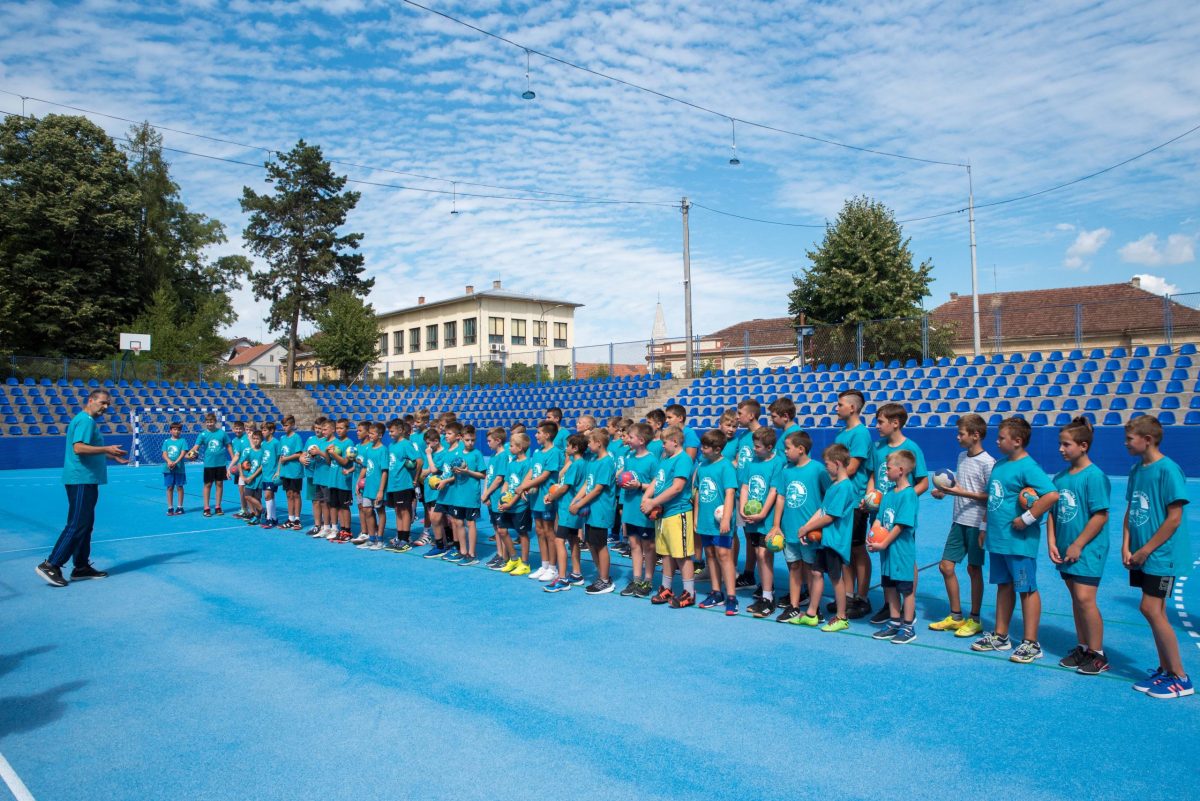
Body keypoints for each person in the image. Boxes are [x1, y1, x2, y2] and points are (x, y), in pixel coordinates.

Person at [971, 417, 1059, 664]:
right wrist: (984, 526)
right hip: (998, 539)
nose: (997, 442)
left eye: (1001, 438)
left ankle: (1031, 642)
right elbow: (993, 498)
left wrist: (1028, 517)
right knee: (1003, 585)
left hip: (1018, 541)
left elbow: (1052, 495)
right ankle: (1001, 635)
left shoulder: (1028, 467)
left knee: (1027, 589)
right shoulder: (1000, 465)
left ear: (1017, 441)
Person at [1123, 415, 1193, 698]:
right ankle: (1165, 670)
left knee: (1151, 609)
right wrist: (1126, 546)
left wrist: (1145, 549)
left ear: (1147, 440)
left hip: (1161, 555)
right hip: (1141, 553)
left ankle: (1180, 677)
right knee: (1154, 610)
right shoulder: (1136, 470)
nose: (1126, 443)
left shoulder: (1168, 470)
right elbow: (1130, 512)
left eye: (1130, 439)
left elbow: (1174, 519)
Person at [37, 389, 128, 587]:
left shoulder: (86, 420)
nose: (105, 407)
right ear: (91, 400)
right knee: (77, 523)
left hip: (86, 479)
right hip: (81, 480)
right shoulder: (86, 420)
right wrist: (106, 449)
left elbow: (87, 449)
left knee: (85, 524)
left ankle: (80, 566)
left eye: (108, 404)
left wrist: (111, 455)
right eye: (102, 403)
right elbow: (79, 448)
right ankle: (51, 564)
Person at [1047, 417, 1111, 675]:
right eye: (1060, 444)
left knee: (1086, 598)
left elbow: (1100, 515)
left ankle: (1098, 654)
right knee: (1076, 598)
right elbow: (1052, 511)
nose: (1061, 449)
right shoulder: (1060, 477)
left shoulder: (1094, 476)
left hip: (1086, 549)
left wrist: (1078, 544)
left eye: (1066, 444)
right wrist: (1052, 541)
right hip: (1065, 548)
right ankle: (1083, 646)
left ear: (1083, 445)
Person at [929, 413, 994, 638]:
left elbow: (990, 497)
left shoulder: (988, 463)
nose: (957, 437)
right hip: (958, 521)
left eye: (961, 433)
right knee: (946, 566)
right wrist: (944, 492)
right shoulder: (961, 457)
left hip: (977, 523)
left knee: (973, 569)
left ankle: (975, 619)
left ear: (976, 435)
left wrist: (960, 492)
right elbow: (960, 485)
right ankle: (956, 616)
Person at [863, 402, 929, 624]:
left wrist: (903, 500)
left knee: (904, 557)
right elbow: (873, 475)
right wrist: (870, 496)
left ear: (895, 423)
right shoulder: (877, 447)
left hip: (899, 515)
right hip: (880, 515)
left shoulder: (912, 448)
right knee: (886, 559)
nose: (877, 426)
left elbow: (923, 483)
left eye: (880, 422)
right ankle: (890, 606)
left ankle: (908, 605)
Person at [770, 430, 829, 623]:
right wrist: (776, 525)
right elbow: (781, 497)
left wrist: (816, 524)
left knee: (812, 570)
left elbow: (828, 498)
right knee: (794, 567)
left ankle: (814, 608)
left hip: (809, 532)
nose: (784, 451)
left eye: (788, 448)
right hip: (789, 530)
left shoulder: (817, 469)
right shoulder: (786, 470)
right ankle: (794, 606)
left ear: (801, 449)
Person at [797, 443, 857, 632]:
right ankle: (811, 613)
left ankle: (841, 616)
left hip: (835, 540)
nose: (825, 467)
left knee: (835, 577)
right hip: (825, 540)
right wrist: (805, 528)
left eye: (827, 464)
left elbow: (830, 516)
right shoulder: (834, 486)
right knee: (816, 573)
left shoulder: (845, 487)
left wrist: (808, 527)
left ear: (837, 463)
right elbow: (822, 510)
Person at [867, 450, 920, 645]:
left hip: (901, 550)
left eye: (888, 469)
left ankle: (907, 626)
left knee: (906, 589)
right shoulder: (888, 493)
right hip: (886, 551)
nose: (885, 473)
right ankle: (894, 621)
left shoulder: (909, 495)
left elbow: (900, 525)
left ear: (901, 470)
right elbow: (880, 519)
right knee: (888, 587)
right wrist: (873, 535)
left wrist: (884, 543)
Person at [830, 389, 873, 619]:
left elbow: (853, 467)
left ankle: (862, 597)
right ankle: (847, 594)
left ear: (852, 408)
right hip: (843, 500)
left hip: (855, 500)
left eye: (839, 405)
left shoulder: (860, 434)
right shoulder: (841, 434)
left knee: (857, 548)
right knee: (844, 549)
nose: (836, 408)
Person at [645, 427, 695, 607]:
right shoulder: (665, 459)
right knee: (666, 553)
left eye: (664, 442)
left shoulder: (683, 459)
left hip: (677, 511)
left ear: (675, 441)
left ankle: (689, 592)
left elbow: (677, 488)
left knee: (682, 555)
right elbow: (656, 480)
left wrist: (653, 501)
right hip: (663, 513)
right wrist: (646, 497)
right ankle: (666, 588)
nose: (663, 446)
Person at [694, 429, 739, 615]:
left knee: (724, 555)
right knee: (710, 554)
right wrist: (696, 516)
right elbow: (697, 493)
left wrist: (726, 518)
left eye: (705, 447)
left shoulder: (726, 466)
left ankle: (731, 596)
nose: (702, 450)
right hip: (704, 519)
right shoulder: (702, 466)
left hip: (721, 521)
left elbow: (730, 493)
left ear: (717, 449)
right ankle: (716, 592)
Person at [740, 427, 783, 618]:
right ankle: (765, 593)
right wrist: (742, 509)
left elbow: (774, 491)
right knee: (758, 552)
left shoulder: (777, 463)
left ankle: (768, 598)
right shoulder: (751, 463)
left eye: (757, 446)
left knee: (765, 554)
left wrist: (763, 514)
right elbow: (745, 486)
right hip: (752, 518)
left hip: (766, 519)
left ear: (770, 446)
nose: (754, 449)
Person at [571, 428, 618, 594]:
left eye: (590, 442)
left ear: (598, 443)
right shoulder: (593, 461)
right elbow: (587, 484)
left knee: (600, 544)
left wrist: (579, 503)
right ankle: (601, 575)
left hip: (601, 509)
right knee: (591, 542)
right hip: (591, 510)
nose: (588, 445)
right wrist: (576, 499)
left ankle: (605, 579)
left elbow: (597, 489)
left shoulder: (606, 462)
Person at [618, 422, 660, 598]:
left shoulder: (652, 460)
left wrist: (639, 485)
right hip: (630, 507)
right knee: (634, 544)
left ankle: (648, 580)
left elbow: (657, 484)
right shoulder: (629, 459)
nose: (628, 440)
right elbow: (623, 481)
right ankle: (636, 579)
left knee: (648, 546)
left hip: (644, 509)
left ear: (641, 440)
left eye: (631, 437)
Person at [518, 421, 564, 582]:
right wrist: (523, 486)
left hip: (546, 497)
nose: (536, 435)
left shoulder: (555, 452)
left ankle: (553, 567)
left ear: (547, 435)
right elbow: (532, 470)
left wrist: (524, 486)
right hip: (535, 498)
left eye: (539, 433)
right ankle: (544, 565)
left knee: (549, 531)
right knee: (539, 530)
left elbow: (544, 476)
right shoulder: (537, 452)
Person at [544, 433, 590, 592]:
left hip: (567, 508)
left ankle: (562, 578)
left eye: (568, 445)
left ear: (575, 448)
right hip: (574, 509)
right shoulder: (584, 463)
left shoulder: (575, 465)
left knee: (559, 540)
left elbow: (565, 487)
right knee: (573, 540)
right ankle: (577, 573)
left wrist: (551, 496)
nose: (566, 448)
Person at [732, 398, 763, 589]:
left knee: (757, 540)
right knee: (748, 536)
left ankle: (759, 577)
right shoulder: (743, 437)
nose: (737, 417)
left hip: (755, 495)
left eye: (739, 413)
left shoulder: (763, 436)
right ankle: (749, 574)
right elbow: (738, 460)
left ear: (751, 415)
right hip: (740, 492)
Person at [445, 424, 486, 566]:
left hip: (471, 496)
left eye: (473, 440)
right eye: (468, 440)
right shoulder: (457, 455)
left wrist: (468, 472)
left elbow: (482, 475)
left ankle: (472, 553)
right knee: (457, 522)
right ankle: (463, 551)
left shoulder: (477, 454)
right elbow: (452, 474)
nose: (470, 443)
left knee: (470, 523)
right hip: (458, 495)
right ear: (461, 438)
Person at [497, 432, 534, 575]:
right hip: (508, 504)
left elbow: (522, 487)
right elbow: (507, 481)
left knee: (522, 533)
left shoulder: (527, 464)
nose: (509, 448)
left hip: (519, 505)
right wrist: (502, 497)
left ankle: (525, 563)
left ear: (519, 448)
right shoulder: (511, 462)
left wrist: (511, 503)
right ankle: (513, 558)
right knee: (502, 530)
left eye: (511, 446)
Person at [384, 418, 419, 552]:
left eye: (392, 431)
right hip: (393, 484)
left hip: (404, 483)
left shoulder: (406, 444)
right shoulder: (391, 445)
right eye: (389, 431)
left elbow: (417, 461)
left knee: (405, 511)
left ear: (400, 430)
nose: (390, 434)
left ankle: (405, 539)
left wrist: (415, 478)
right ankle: (399, 537)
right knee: (398, 510)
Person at [482, 428, 513, 569]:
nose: (487, 443)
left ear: (498, 440)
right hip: (491, 497)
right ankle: (500, 553)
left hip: (498, 497)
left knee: (502, 528)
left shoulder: (503, 456)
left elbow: (499, 478)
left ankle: (506, 556)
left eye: (490, 441)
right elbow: (489, 476)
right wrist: (486, 493)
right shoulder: (494, 456)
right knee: (495, 527)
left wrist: (486, 493)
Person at [355, 422, 388, 551]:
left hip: (377, 488)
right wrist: (358, 482)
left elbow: (385, 471)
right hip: (367, 488)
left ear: (380, 435)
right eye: (369, 433)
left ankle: (380, 539)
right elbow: (365, 467)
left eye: (372, 433)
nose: (370, 435)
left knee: (380, 512)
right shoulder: (369, 449)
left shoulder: (383, 450)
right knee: (367, 510)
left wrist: (380, 491)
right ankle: (371, 538)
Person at [193, 412, 234, 517]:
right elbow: (195, 447)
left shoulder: (222, 433)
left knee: (219, 484)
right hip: (209, 464)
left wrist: (234, 459)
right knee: (208, 485)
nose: (209, 424)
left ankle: (218, 506)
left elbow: (229, 446)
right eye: (207, 422)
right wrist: (191, 453)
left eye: (211, 422)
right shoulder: (202, 435)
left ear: (215, 422)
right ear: (205, 423)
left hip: (221, 463)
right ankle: (206, 508)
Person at [326, 418, 357, 543]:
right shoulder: (336, 443)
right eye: (337, 428)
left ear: (347, 429)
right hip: (333, 480)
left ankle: (348, 531)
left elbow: (345, 462)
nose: (339, 430)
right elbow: (329, 462)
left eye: (341, 428)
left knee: (344, 507)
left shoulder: (349, 444)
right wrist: (328, 453)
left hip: (343, 480)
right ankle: (342, 529)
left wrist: (333, 454)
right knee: (337, 506)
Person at [276, 415, 306, 531]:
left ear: (292, 425)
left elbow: (299, 454)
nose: (284, 427)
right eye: (283, 425)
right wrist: (278, 471)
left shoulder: (296, 438)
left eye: (287, 425)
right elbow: (280, 456)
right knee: (288, 494)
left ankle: (297, 519)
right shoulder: (282, 438)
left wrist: (287, 459)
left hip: (295, 471)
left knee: (296, 494)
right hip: (285, 472)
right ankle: (290, 518)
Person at [161, 421, 189, 516]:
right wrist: (169, 461)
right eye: (174, 429)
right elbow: (164, 453)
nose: (176, 431)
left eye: (178, 430)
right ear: (170, 431)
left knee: (180, 487)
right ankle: (170, 507)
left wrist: (176, 462)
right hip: (168, 468)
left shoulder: (183, 441)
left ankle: (180, 507)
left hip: (179, 468)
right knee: (169, 487)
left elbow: (183, 453)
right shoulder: (166, 442)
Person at [258, 421, 281, 529]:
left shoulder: (275, 443)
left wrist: (278, 471)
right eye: (262, 430)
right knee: (270, 496)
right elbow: (263, 459)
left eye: (265, 430)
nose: (262, 432)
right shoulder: (263, 444)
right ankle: (274, 518)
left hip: (272, 474)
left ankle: (269, 518)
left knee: (267, 495)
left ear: (271, 431)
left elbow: (280, 457)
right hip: (265, 474)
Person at [241, 428, 265, 525]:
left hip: (258, 478)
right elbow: (242, 463)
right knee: (247, 496)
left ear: (261, 440)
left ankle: (257, 517)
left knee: (257, 498)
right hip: (250, 477)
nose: (255, 440)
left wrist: (253, 476)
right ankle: (262, 509)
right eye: (254, 438)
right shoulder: (250, 451)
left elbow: (262, 466)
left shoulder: (263, 451)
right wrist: (244, 467)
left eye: (257, 439)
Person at [229, 419, 250, 519]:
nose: (238, 431)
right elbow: (236, 455)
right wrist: (230, 467)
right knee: (241, 489)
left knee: (250, 490)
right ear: (233, 429)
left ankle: (254, 511)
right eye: (236, 429)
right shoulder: (234, 441)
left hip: (249, 468)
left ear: (243, 429)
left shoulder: (248, 438)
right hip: (240, 469)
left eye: (240, 429)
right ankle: (244, 509)